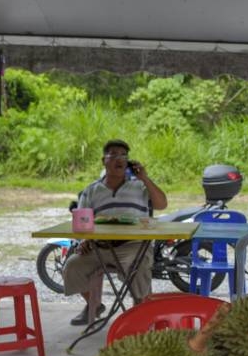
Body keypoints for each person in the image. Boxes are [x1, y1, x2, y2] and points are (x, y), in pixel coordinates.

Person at [62, 139, 168, 325]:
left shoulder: (140, 186)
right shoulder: (92, 190)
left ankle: (139, 314)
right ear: (104, 160)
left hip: (133, 246)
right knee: (72, 266)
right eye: (114, 154)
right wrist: (83, 241)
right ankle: (93, 304)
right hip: (100, 246)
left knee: (140, 268)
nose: (119, 159)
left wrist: (144, 177)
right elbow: (82, 222)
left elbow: (162, 204)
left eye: (123, 155)